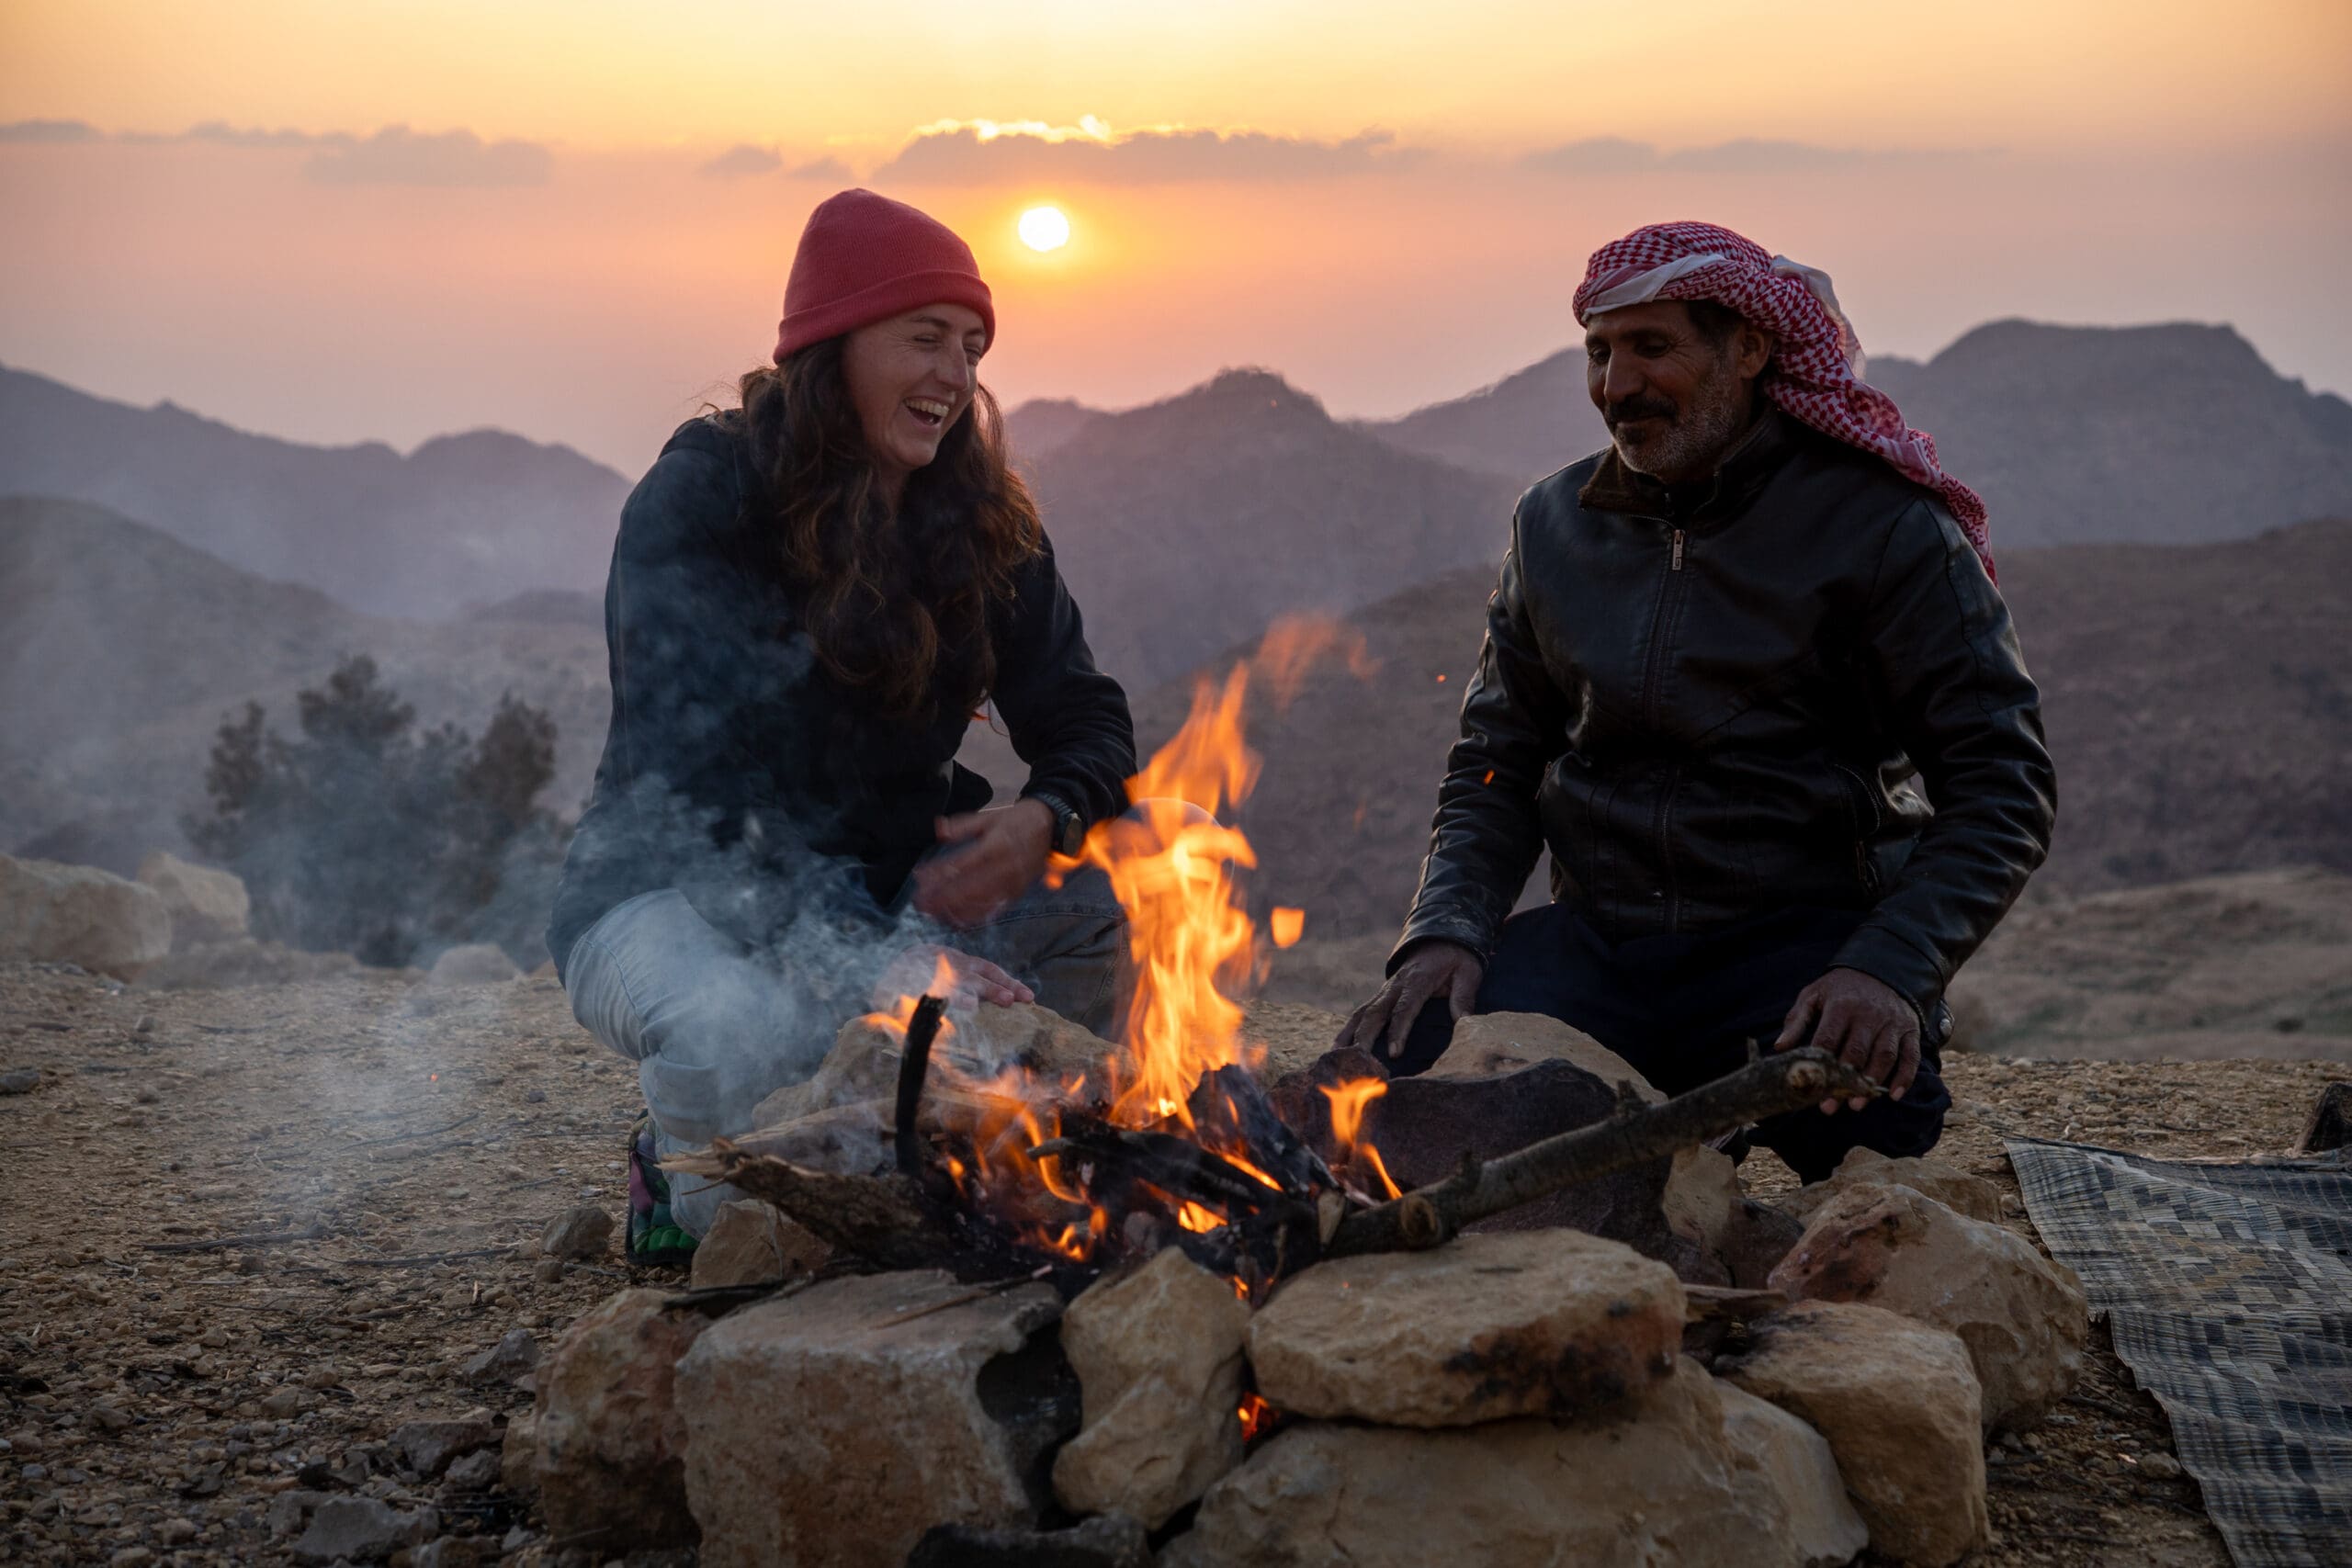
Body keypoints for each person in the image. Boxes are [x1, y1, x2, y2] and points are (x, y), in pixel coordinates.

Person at [1338, 220, 2055, 1181]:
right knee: (1389, 1081)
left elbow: (2000, 785)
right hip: (1600, 943)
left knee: (1859, 1129)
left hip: (1795, 947)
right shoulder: (1551, 525)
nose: (1616, 386)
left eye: (1651, 348)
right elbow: (1494, 762)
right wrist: (1447, 930)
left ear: (1751, 351)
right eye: (1598, 352)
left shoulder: (1885, 529)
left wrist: (1887, 968)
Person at [548, 189, 1136, 1257]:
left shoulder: (977, 520)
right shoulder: (702, 500)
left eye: (972, 347)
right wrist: (877, 959)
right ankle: (682, 1206)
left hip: (884, 898)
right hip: (666, 890)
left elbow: (1086, 715)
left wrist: (1043, 816)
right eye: (924, 339)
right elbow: (700, 795)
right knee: (738, 1029)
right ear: (832, 345)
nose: (955, 379)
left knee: (1119, 881)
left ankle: (1017, 1174)